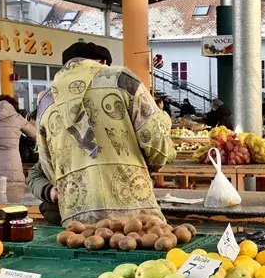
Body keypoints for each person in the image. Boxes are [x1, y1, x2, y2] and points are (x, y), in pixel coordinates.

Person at [36, 41, 175, 224]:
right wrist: (153, 164)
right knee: (141, 239)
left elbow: (46, 164)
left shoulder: (46, 100)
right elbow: (155, 137)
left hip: (77, 217)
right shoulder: (121, 79)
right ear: (102, 61)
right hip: (134, 210)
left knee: (84, 242)